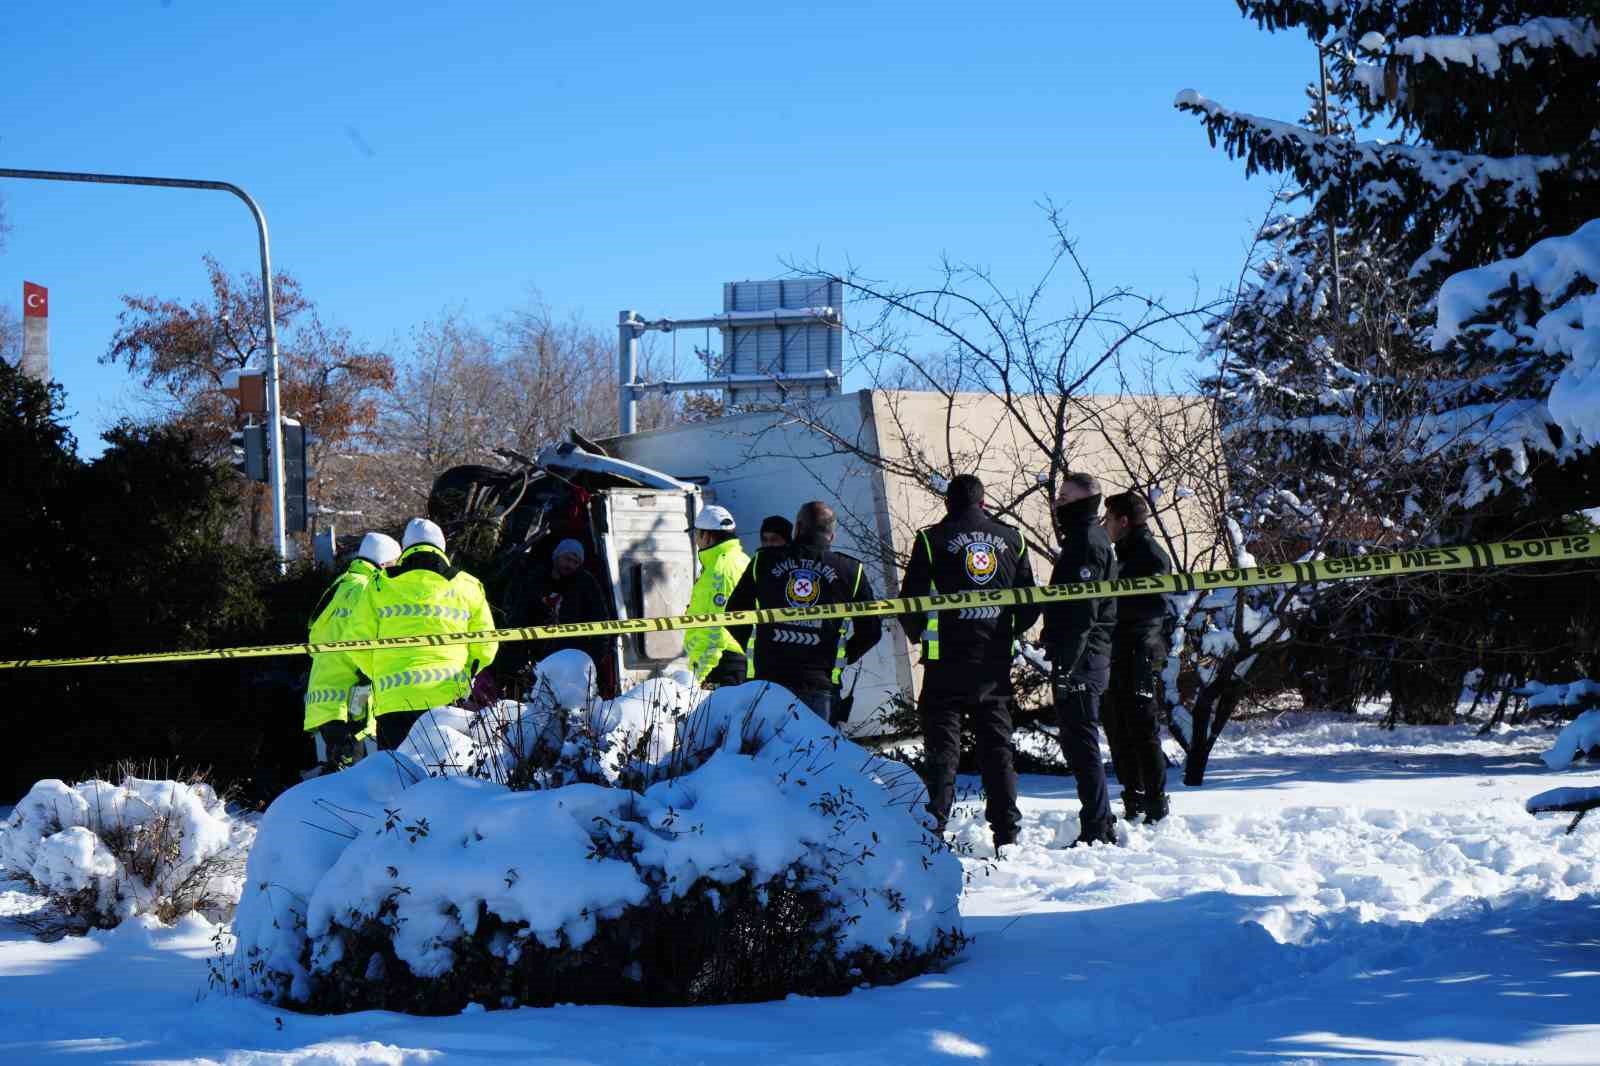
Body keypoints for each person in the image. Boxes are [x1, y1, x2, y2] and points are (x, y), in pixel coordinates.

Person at [899, 474, 1039, 849]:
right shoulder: (1013, 538)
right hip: (992, 665)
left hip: (944, 665)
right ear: (983, 502)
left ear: (948, 503)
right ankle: (1007, 835)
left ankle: (935, 830)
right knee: (998, 752)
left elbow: (909, 603)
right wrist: (1004, 632)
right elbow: (1029, 604)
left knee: (942, 754)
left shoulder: (931, 541)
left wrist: (922, 639)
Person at [348, 518, 498, 750]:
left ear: (405, 548)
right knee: (445, 776)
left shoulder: (378, 584)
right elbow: (486, 646)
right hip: (448, 698)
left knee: (396, 778)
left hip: (393, 700)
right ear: (441, 547)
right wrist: (467, 675)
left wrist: (380, 671)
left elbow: (356, 642)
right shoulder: (467, 584)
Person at [727, 501, 882, 721]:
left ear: (797, 528)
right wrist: (842, 656)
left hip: (768, 679)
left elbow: (733, 613)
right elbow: (872, 631)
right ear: (832, 536)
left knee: (766, 753)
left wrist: (756, 647)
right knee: (816, 752)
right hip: (821, 683)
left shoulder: (764, 562)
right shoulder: (850, 571)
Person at [1043, 473, 1120, 847]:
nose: (1058, 502)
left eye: (1064, 496)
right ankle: (1099, 821)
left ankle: (1097, 828)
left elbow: (1083, 612)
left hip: (1083, 659)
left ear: (1084, 500)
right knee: (1079, 742)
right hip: (1084, 654)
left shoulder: (1087, 542)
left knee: (1082, 743)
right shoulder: (1084, 538)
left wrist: (1067, 665)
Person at [1102, 490, 1174, 824]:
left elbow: (1155, 605)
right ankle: (1134, 797)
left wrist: (1113, 608)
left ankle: (1155, 802)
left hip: (1141, 650)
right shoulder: (1125, 553)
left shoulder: (1148, 554)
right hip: (1122, 649)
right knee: (1119, 727)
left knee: (1143, 728)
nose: (1106, 526)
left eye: (1109, 519)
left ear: (1124, 521)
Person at [303, 532, 399, 770]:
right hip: (352, 700)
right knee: (351, 785)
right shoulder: (368, 588)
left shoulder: (341, 584)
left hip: (325, 699)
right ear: (384, 562)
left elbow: (314, 634)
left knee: (336, 774)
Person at [499, 538, 614, 689]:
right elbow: (519, 613)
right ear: (557, 556)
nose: (570, 565)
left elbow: (601, 622)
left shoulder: (586, 584)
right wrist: (517, 653)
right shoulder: (535, 577)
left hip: (569, 659)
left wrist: (593, 660)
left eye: (576, 562)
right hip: (533, 654)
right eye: (567, 559)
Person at [684, 505, 751, 688]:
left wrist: (700, 674)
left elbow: (715, 629)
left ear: (707, 536)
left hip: (721, 663)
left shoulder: (719, 570)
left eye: (697, 534)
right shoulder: (741, 559)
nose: (696, 540)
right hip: (734, 657)